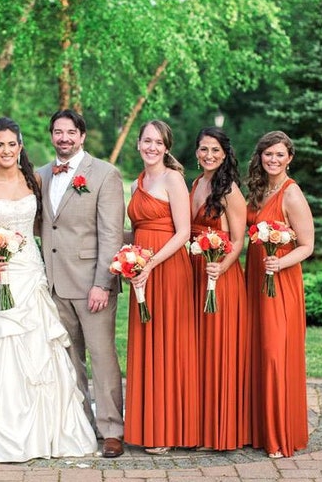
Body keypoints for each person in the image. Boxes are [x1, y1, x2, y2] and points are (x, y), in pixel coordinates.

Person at [0, 117, 97, 464]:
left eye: (12, 144)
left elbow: (47, 222)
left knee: (38, 352)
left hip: (29, 273)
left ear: (20, 146)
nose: (7, 150)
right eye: (0, 145)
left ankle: (44, 436)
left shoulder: (34, 180)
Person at [37, 109, 125, 458]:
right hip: (54, 284)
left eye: (71, 132)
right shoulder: (41, 174)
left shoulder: (104, 174)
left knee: (103, 358)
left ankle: (112, 430)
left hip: (93, 285)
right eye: (58, 132)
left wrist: (103, 283)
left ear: (82, 136)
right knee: (70, 361)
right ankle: (81, 425)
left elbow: (111, 233)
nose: (64, 138)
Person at [124, 120, 199, 454]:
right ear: (138, 144)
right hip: (141, 270)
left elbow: (183, 232)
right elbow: (137, 229)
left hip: (168, 270)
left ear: (167, 147)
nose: (152, 147)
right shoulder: (138, 182)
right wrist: (123, 257)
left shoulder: (173, 179)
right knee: (146, 343)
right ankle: (149, 426)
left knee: (169, 343)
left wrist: (150, 264)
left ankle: (171, 429)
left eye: (158, 142)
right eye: (146, 141)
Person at [245, 131, 314, 458]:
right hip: (255, 279)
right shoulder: (259, 191)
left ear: (290, 158)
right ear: (260, 156)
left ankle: (279, 435)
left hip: (281, 282)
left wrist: (279, 262)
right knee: (257, 352)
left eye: (279, 155)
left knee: (275, 354)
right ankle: (258, 431)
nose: (273, 160)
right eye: (267, 154)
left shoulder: (291, 194)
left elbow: (307, 246)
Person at [190, 127, 250, 450]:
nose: (208, 155)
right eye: (203, 149)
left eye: (214, 150)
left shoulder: (230, 191)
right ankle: (199, 426)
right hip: (195, 273)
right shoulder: (197, 183)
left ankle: (222, 431)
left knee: (218, 350)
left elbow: (239, 240)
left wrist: (220, 267)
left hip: (220, 276)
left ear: (225, 154)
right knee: (199, 351)